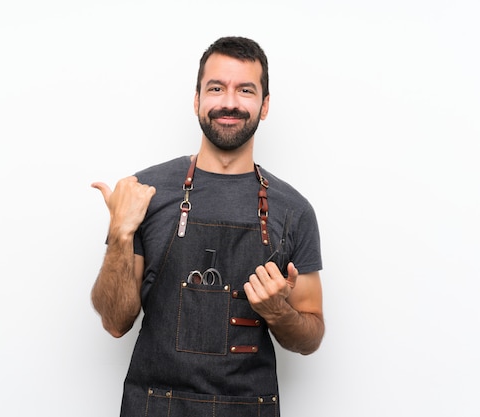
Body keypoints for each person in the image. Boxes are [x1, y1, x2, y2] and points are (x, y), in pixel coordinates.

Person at [90, 36, 325, 417]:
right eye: (216, 88)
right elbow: (115, 322)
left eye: (245, 90)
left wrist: (279, 311)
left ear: (264, 106)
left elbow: (310, 337)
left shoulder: (294, 211)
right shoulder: (143, 194)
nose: (229, 102)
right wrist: (120, 234)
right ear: (197, 100)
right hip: (155, 407)